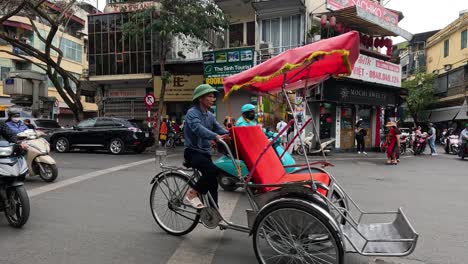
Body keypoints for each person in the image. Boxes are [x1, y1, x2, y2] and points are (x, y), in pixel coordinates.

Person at [184, 84, 228, 209]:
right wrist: (215, 136)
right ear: (200, 98)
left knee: (213, 181)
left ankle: (214, 211)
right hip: (192, 152)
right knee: (213, 171)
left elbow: (219, 129)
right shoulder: (192, 113)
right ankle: (192, 193)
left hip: (205, 153)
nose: (212, 99)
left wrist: (233, 134)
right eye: (209, 96)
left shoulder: (209, 116)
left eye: (213, 97)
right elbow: (198, 129)